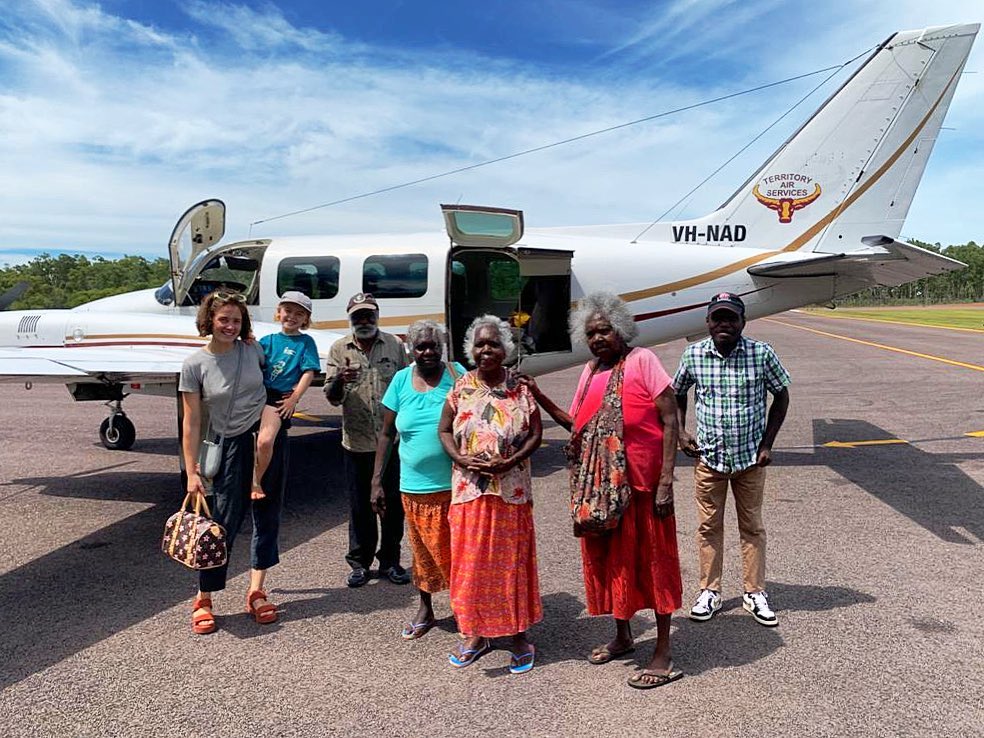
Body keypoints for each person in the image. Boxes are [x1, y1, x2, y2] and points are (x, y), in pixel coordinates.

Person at [522, 291, 684, 689]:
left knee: (654, 565)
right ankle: (624, 636)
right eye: (591, 333)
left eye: (604, 330)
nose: (597, 339)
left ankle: (663, 649)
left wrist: (666, 481)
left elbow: (670, 420)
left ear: (621, 329)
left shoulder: (642, 360)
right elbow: (577, 426)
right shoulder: (590, 370)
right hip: (603, 493)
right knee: (616, 564)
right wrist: (538, 395)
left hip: (644, 488)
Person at [673, 291, 790, 627]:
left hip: (750, 460)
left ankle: (754, 592)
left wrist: (768, 443)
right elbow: (677, 392)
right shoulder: (694, 355)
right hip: (709, 460)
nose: (724, 324)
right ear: (708, 322)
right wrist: (681, 433)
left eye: (731, 318)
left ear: (743, 321)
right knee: (708, 526)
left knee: (751, 526)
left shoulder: (761, 353)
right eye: (717, 318)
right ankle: (710, 591)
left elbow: (781, 395)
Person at [438, 315, 543, 674]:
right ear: (471, 350)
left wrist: (511, 460)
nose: (486, 350)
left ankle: (517, 635)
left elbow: (534, 434)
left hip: (510, 491)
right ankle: (475, 633)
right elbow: (444, 432)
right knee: (471, 565)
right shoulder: (460, 388)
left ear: (506, 349)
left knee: (511, 563)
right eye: (480, 344)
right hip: (469, 492)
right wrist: (461, 458)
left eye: (494, 343)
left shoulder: (520, 388)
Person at [179, 290, 285, 634]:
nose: (230, 325)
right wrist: (192, 469)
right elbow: (192, 421)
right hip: (229, 446)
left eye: (236, 320)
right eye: (224, 319)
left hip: (265, 437)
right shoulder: (195, 364)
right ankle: (204, 596)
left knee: (267, 516)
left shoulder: (253, 349)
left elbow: (278, 372)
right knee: (222, 523)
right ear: (209, 319)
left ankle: (256, 590)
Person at [370, 320, 466, 639]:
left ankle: (466, 610)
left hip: (457, 486)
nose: (428, 351)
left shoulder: (456, 374)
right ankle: (426, 608)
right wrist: (376, 482)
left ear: (442, 347)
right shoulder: (400, 380)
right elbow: (386, 434)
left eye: (433, 345)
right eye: (421, 346)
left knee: (460, 552)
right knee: (422, 553)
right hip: (414, 488)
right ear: (410, 349)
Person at [325, 292, 410, 587]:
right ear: (350, 319)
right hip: (357, 443)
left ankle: (390, 561)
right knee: (360, 506)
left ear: (377, 316)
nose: (364, 321)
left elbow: (407, 386)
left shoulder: (395, 345)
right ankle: (359, 562)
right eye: (357, 316)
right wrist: (340, 379)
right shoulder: (339, 348)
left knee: (394, 506)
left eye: (368, 315)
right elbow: (332, 398)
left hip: (391, 443)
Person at [252, 291, 320, 500]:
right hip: (257, 394)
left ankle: (255, 480)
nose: (292, 316)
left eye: (299, 314)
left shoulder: (305, 342)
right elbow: (253, 359)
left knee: (265, 441)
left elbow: (309, 372)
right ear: (278, 313)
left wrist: (294, 398)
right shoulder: (268, 340)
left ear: (306, 319)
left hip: (279, 397)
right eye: (288, 311)